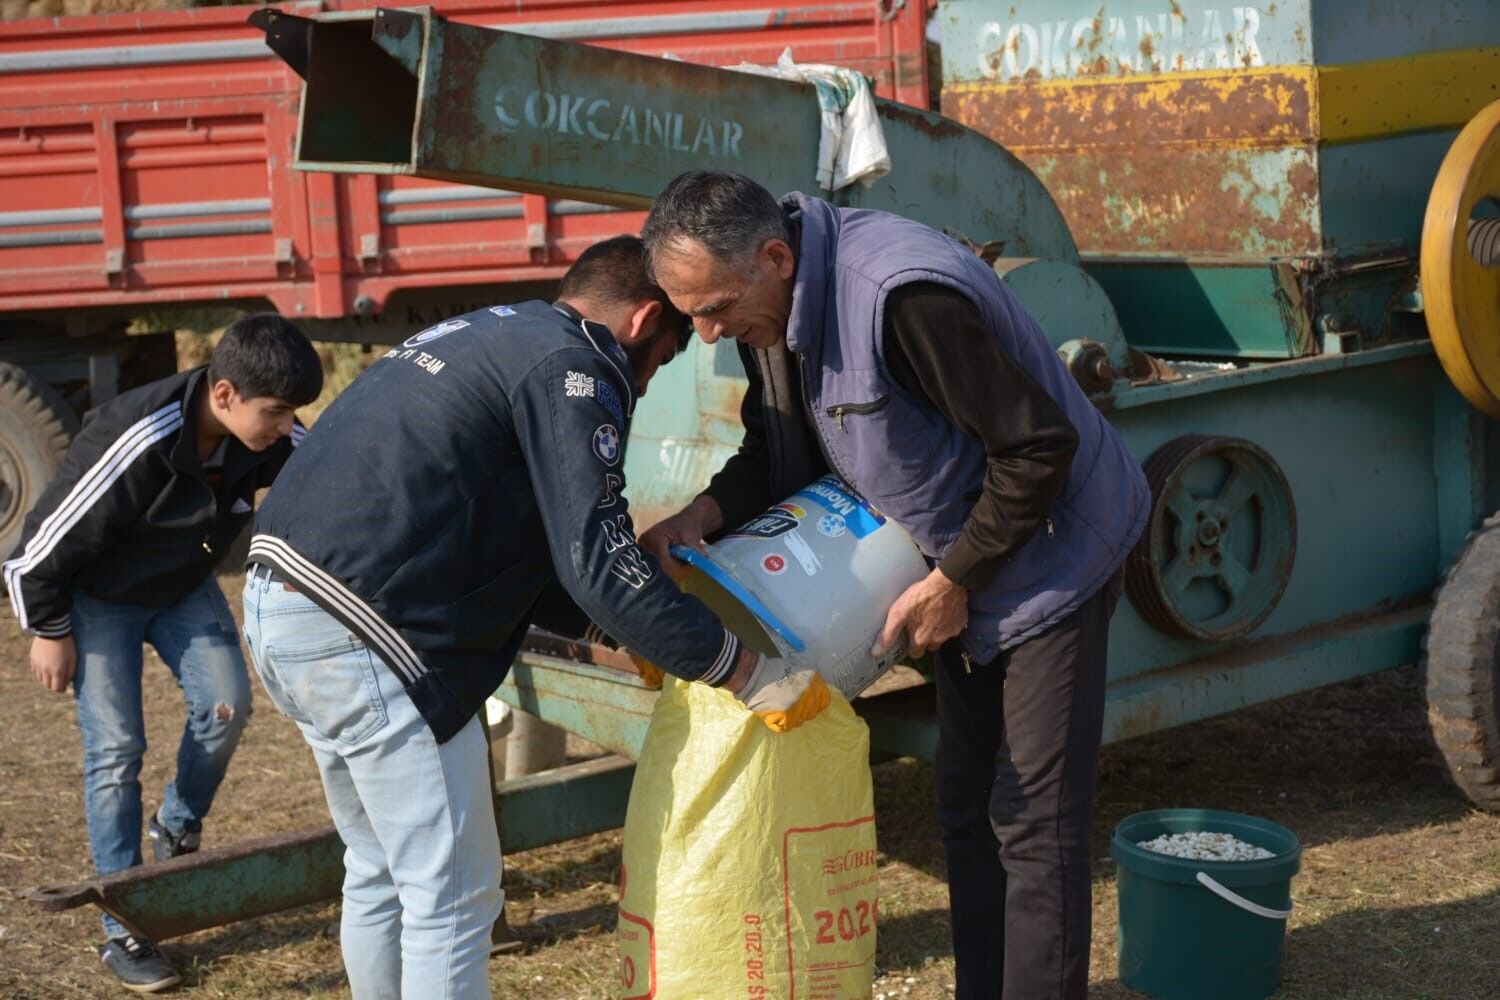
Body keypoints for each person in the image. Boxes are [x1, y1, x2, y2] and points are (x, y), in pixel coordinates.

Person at [239, 235, 822, 1000]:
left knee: (383, 871)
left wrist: (621, 630)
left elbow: (531, 543)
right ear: (646, 319)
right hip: (365, 630)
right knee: (454, 902)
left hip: (281, 603)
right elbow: (596, 559)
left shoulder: (499, 331)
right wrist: (742, 671)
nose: (646, 386)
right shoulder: (577, 366)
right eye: (668, 355)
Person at [637, 172, 1151, 1000]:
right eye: (690, 311)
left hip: (1052, 550)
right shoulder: (766, 304)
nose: (705, 333)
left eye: (713, 309)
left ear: (775, 256)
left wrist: (955, 579)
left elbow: (1038, 450)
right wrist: (700, 514)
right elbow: (777, 451)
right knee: (965, 806)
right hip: (952, 561)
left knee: (1031, 822)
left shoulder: (902, 297)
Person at [4, 314, 323, 992]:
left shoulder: (270, 428)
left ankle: (175, 827)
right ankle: (124, 925)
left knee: (226, 705)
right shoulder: (138, 436)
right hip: (99, 598)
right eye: (275, 412)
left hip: (181, 583)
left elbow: (330, 476)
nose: (284, 427)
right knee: (116, 752)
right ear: (227, 394)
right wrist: (49, 630)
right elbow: (36, 547)